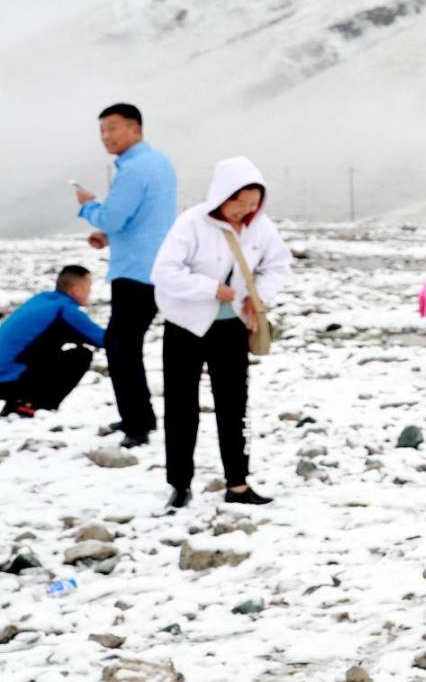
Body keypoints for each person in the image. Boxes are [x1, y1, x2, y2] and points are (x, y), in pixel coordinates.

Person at [151, 157, 292, 512]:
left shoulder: (260, 228)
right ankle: (180, 484)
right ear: (220, 196)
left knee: (234, 405)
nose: (244, 210)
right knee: (181, 407)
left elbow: (277, 265)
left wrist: (257, 298)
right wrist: (210, 289)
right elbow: (164, 272)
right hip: (186, 326)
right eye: (237, 202)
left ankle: (238, 483)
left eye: (252, 203)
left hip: (231, 328)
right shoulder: (192, 223)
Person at [72, 103, 177, 448]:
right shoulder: (160, 162)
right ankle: (139, 417)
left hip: (135, 272)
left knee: (121, 347)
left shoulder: (134, 169)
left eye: (113, 128)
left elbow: (114, 217)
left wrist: (88, 205)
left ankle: (138, 425)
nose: (106, 136)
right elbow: (140, 218)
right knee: (125, 345)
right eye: (102, 130)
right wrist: (108, 235)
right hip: (154, 267)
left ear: (135, 129)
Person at [1, 266, 107, 416]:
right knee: (80, 356)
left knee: (47, 346)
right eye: (88, 288)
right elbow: (104, 340)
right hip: (8, 378)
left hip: (6, 372)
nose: (90, 293)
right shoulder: (63, 309)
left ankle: (19, 402)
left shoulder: (42, 299)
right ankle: (30, 405)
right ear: (76, 290)